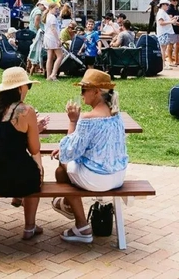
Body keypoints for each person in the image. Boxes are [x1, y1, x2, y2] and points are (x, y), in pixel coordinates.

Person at [50, 69, 128, 244]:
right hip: (118, 176)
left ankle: (81, 224)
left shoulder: (87, 118)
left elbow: (70, 152)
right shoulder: (117, 115)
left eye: (84, 89)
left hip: (97, 178)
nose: (81, 94)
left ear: (96, 91)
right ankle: (68, 206)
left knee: (62, 165)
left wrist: (72, 121)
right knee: (62, 169)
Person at [0, 67, 49, 240]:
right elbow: (34, 148)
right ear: (19, 88)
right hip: (16, 180)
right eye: (28, 86)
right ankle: (29, 225)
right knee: (36, 163)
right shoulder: (26, 111)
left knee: (14, 161)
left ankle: (18, 198)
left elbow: (4, 137)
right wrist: (34, 130)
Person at [43, 3, 63, 81]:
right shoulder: (52, 17)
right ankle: (53, 74)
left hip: (47, 38)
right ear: (51, 8)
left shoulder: (47, 16)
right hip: (53, 38)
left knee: (50, 57)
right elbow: (53, 29)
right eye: (56, 9)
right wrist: (58, 39)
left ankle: (48, 76)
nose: (57, 11)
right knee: (60, 56)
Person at [156, 0, 176, 69]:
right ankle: (163, 64)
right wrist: (171, 22)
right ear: (163, 5)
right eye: (167, 5)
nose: (168, 6)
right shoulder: (161, 13)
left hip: (165, 32)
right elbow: (161, 23)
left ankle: (163, 64)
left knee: (164, 48)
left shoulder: (163, 12)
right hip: (163, 33)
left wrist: (172, 20)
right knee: (163, 49)